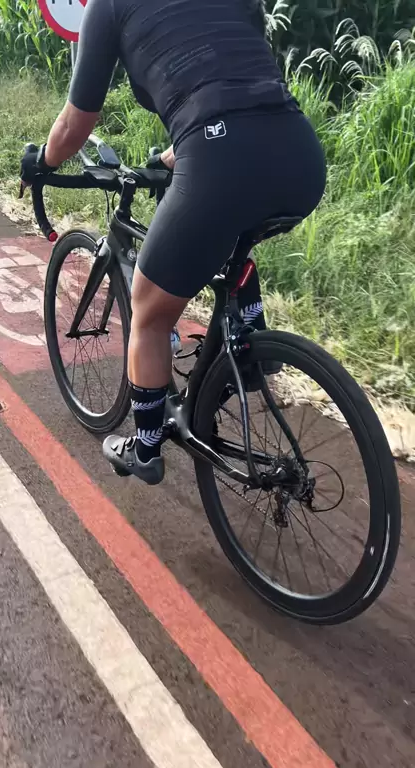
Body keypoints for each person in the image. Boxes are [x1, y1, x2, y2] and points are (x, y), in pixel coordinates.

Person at [21, 0, 326, 486]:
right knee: (234, 235)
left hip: (219, 156)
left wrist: (43, 162)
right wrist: (172, 156)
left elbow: (76, 123)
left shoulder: (109, 6)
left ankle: (145, 448)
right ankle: (249, 352)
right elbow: (230, 84)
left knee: (148, 307)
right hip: (299, 153)